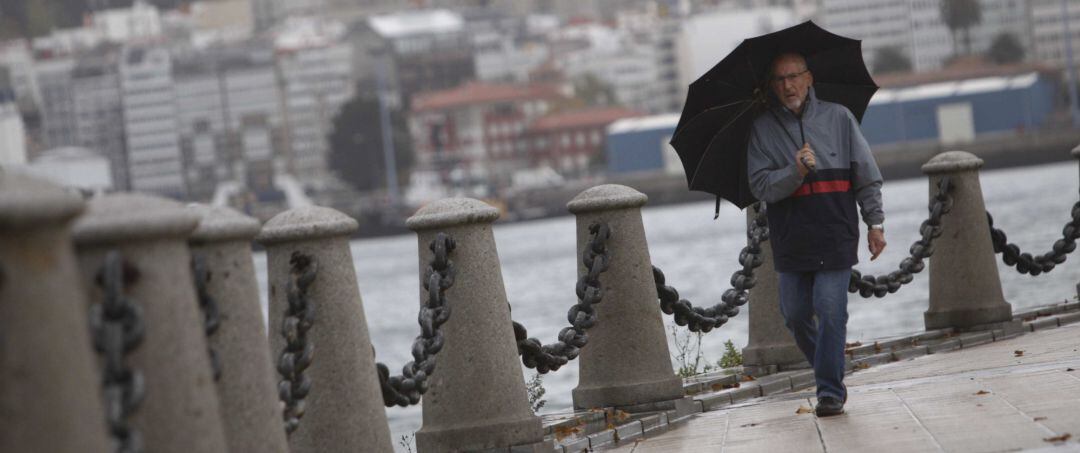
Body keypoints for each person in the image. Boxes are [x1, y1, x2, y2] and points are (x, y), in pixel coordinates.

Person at [746, 52, 886, 417]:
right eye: (779, 79)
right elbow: (761, 187)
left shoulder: (839, 117)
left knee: (829, 308)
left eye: (794, 76)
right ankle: (831, 371)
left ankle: (829, 391)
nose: (788, 85)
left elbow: (865, 173)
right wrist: (794, 171)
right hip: (791, 235)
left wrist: (875, 223)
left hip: (835, 228)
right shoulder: (762, 129)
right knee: (793, 314)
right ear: (770, 86)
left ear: (809, 78)